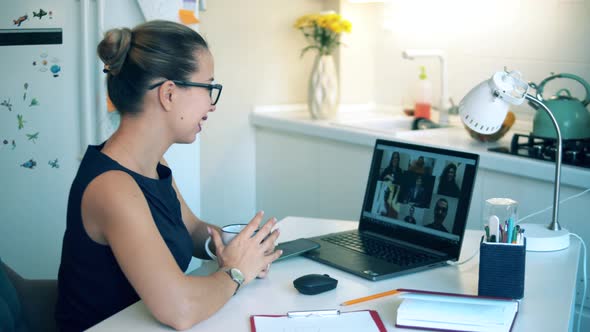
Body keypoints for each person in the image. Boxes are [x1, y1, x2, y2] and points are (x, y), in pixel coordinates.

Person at [55, 20, 282, 331]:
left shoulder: (150, 162)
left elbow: (189, 230)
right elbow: (181, 309)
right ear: (169, 94)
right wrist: (237, 272)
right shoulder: (112, 188)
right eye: (209, 87)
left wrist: (238, 247)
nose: (211, 105)